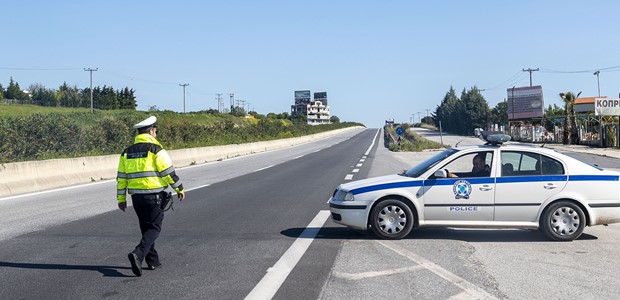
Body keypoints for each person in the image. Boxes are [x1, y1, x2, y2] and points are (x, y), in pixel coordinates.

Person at [117, 116, 186, 277]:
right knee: (154, 228)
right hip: (154, 195)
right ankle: (138, 254)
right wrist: (179, 189)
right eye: (156, 131)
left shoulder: (126, 152)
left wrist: (121, 199)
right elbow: (168, 172)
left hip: (137, 198)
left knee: (146, 228)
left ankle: (153, 261)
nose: (156, 134)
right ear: (151, 131)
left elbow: (121, 178)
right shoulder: (156, 150)